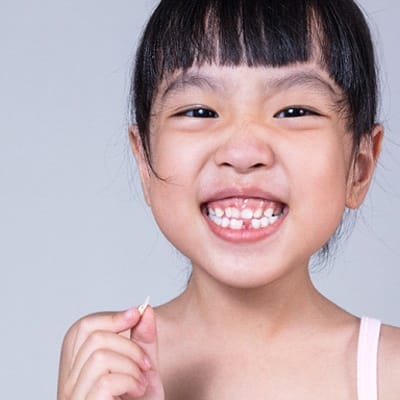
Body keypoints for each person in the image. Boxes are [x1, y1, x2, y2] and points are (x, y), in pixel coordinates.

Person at [57, 0, 400, 399]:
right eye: (200, 110)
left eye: (294, 110)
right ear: (144, 163)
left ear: (359, 166)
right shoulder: (108, 356)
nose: (243, 151)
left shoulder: (390, 371)